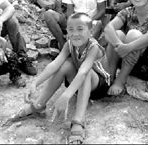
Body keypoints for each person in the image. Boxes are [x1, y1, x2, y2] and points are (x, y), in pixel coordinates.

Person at [10, 12, 112, 144]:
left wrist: (66, 95)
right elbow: (54, 64)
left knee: (85, 73)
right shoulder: (69, 44)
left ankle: (78, 121)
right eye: (71, 30)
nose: (75, 33)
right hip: (78, 84)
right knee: (65, 65)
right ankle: (39, 105)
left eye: (80, 29)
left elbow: (83, 72)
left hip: (98, 85)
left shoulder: (94, 47)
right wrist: (35, 83)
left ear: (90, 31)